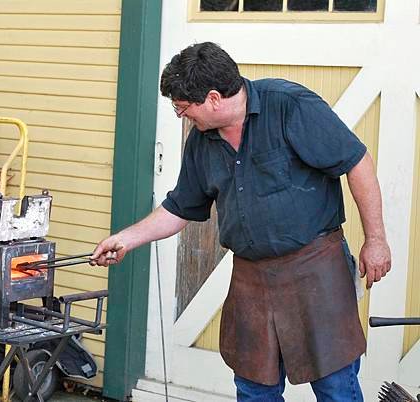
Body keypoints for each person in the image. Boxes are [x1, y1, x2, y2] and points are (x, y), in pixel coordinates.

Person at [90, 42, 391, 401]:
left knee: (335, 388)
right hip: (252, 282)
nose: (181, 117)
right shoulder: (202, 143)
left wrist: (376, 239)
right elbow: (180, 207)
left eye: (183, 108)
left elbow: (356, 162)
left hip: (315, 271)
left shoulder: (290, 106)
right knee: (253, 391)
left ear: (214, 98)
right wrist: (126, 239)